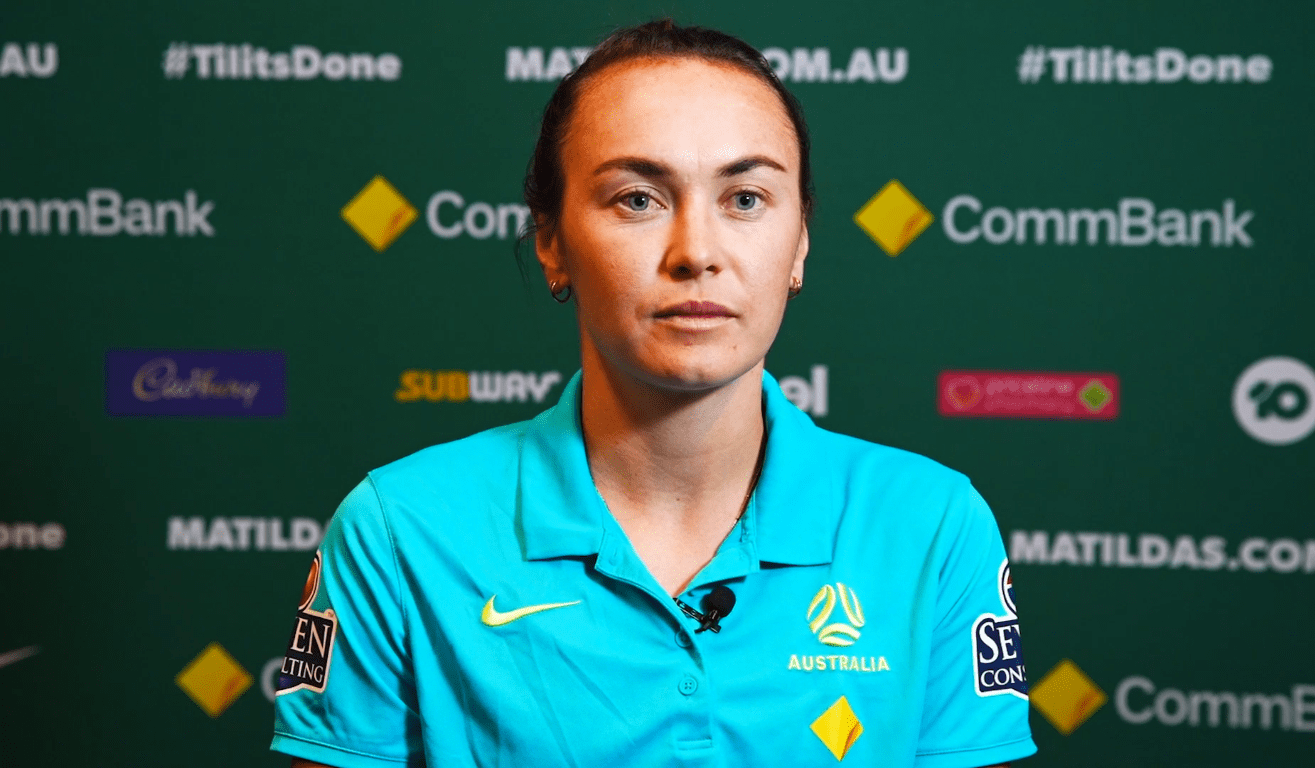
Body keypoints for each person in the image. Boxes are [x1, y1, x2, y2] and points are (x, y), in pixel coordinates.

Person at [272, 19, 1035, 768]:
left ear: (800, 239)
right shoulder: (400, 530)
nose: (696, 253)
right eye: (638, 198)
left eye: (745, 198)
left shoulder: (932, 525)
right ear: (551, 242)